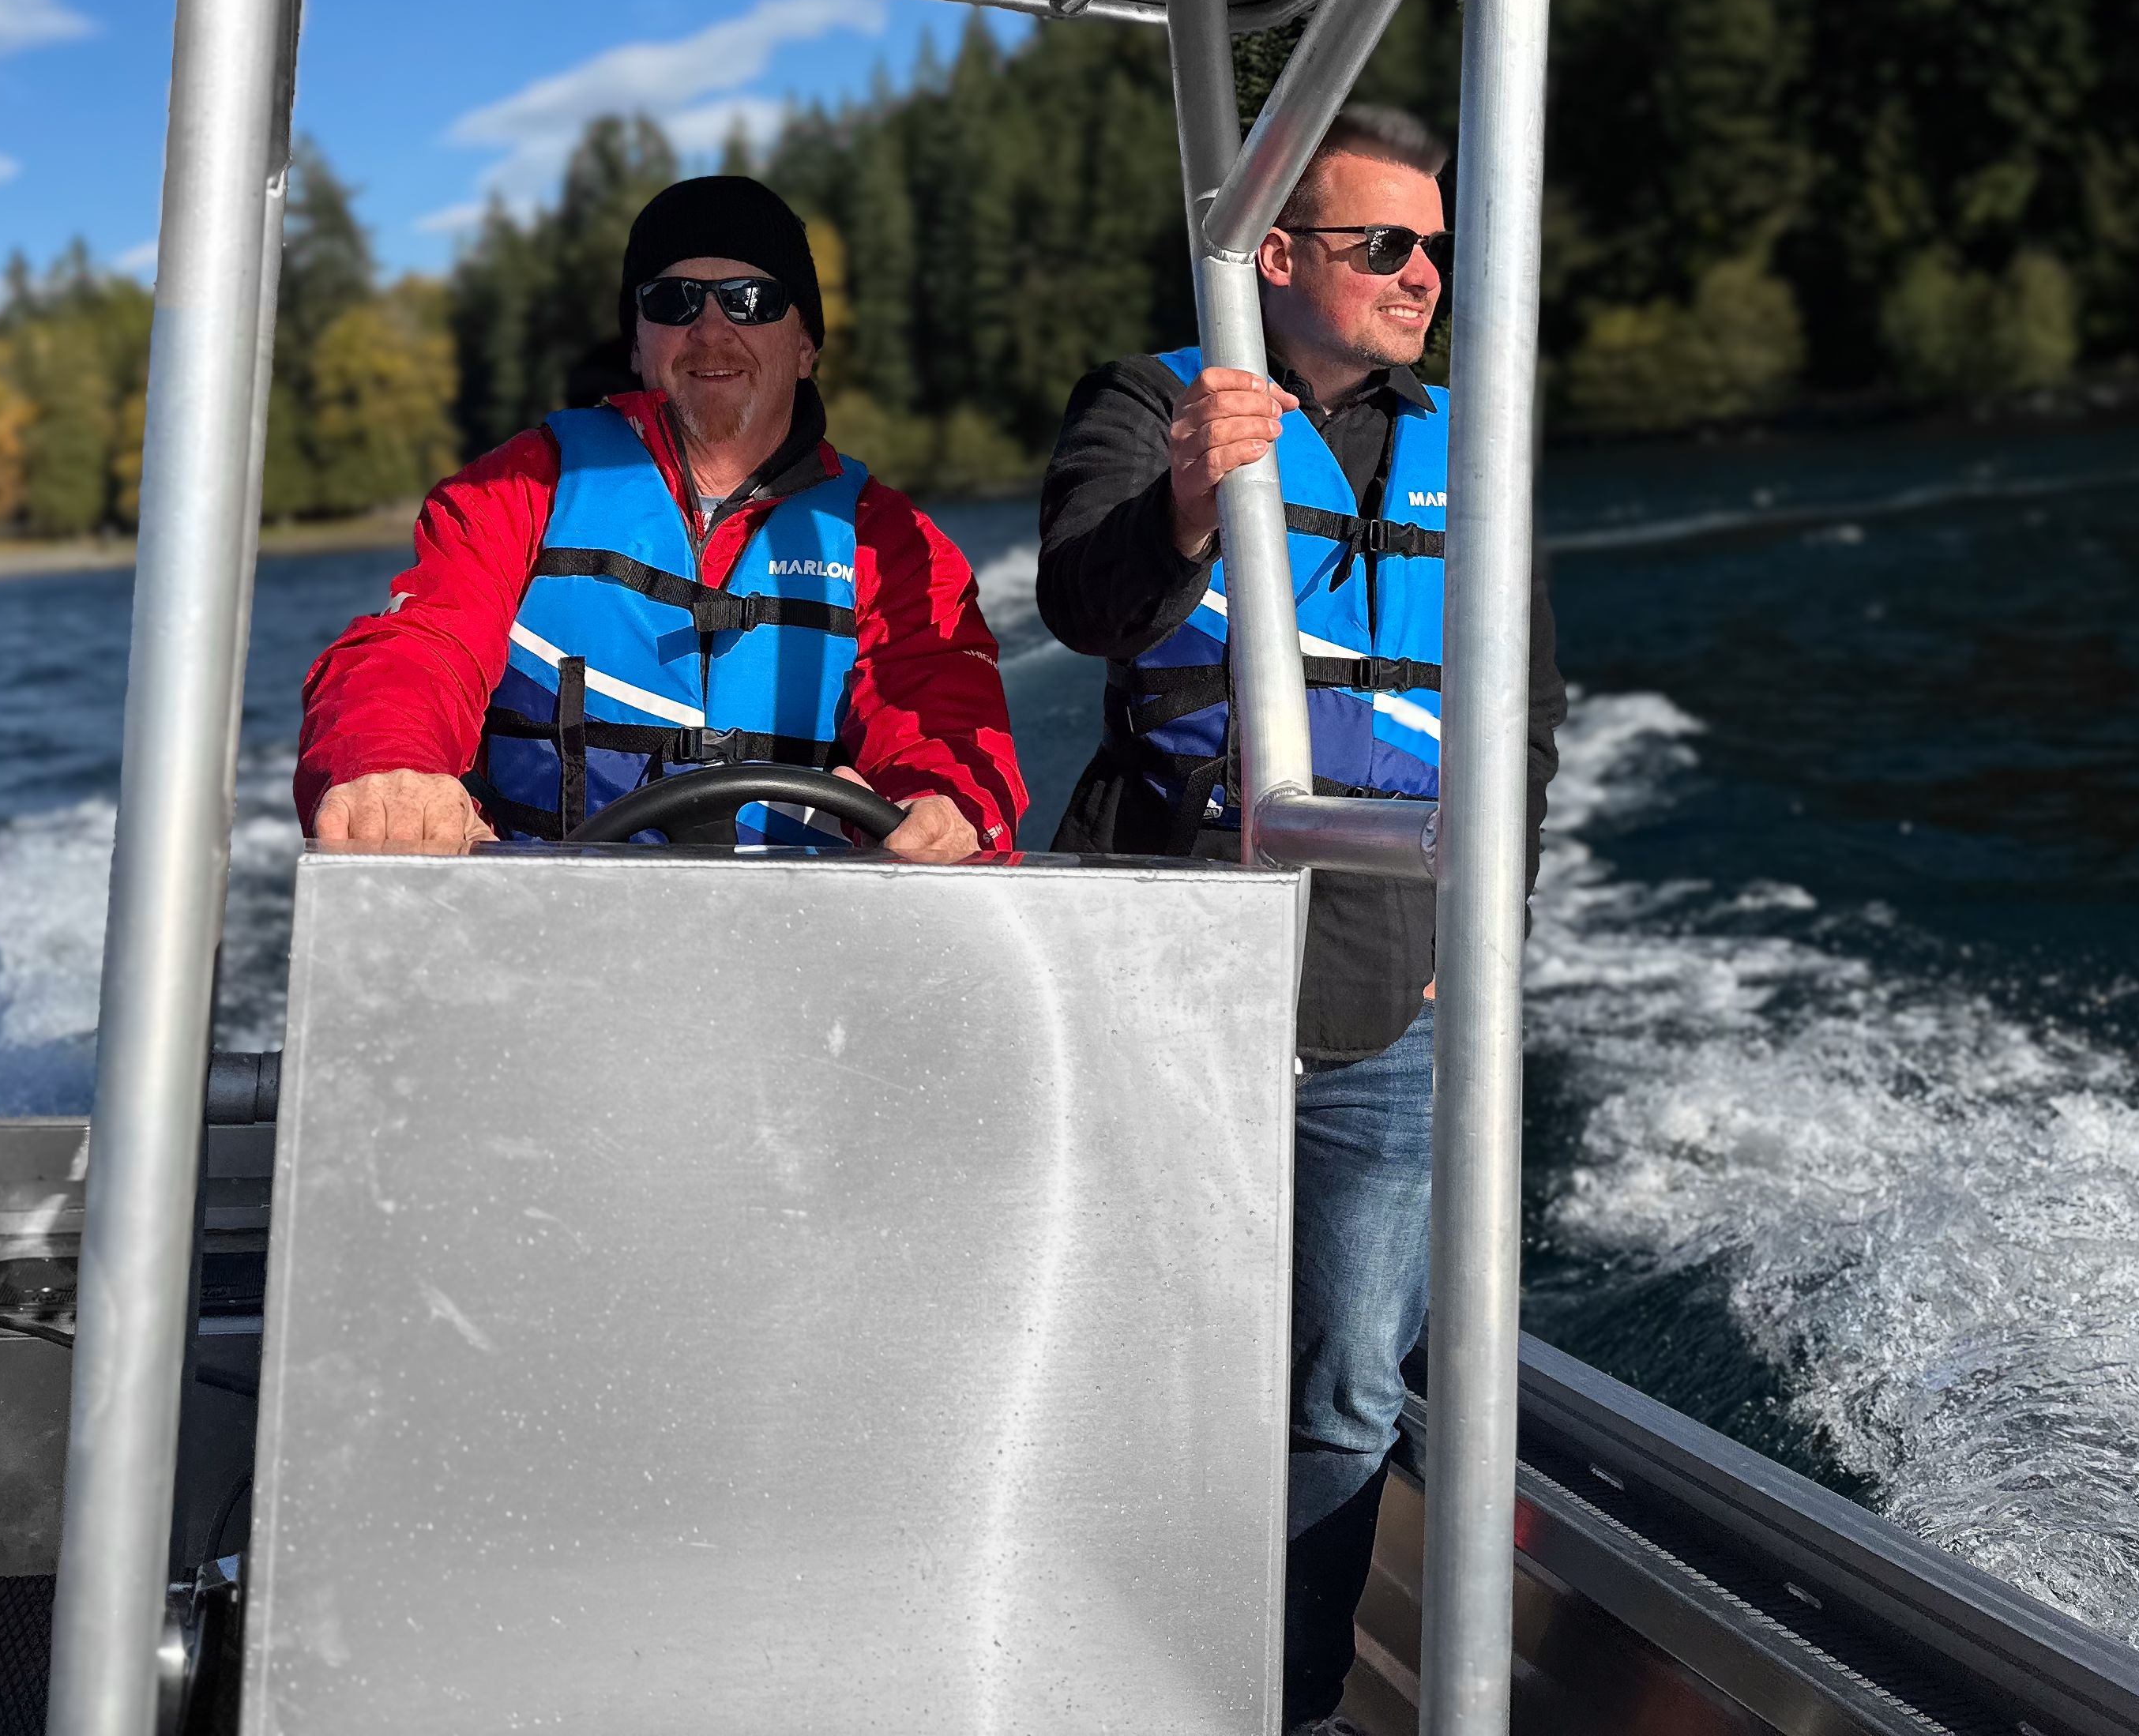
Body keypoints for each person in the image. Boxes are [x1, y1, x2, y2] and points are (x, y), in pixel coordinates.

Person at [1035, 103, 1565, 1734]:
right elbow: (1086, 603)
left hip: (1385, 985)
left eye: (1435, 250)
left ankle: (1293, 1706)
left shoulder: (1473, 443)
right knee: (1137, 1351)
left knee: (1342, 1388)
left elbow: (1526, 717)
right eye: (1384, 244)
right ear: (1276, 257)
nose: (1423, 277)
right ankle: (1091, 1681)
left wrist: (1472, 942)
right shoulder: (1153, 403)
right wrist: (1191, 500)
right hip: (1169, 962)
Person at [298, 173, 1024, 861]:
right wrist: (387, 761)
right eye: (674, 301)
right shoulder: (520, 489)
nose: (711, 329)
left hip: (797, 927)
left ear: (805, 345)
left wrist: (947, 804)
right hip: (547, 917)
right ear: (639, 343)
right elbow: (421, 646)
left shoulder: (891, 544)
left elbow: (944, 719)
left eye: (751, 300)